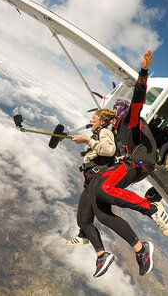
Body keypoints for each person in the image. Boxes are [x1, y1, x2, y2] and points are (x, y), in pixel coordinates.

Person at [68, 50, 168, 277]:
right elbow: (109, 151)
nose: (115, 114)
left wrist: (143, 72)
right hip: (125, 165)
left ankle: (151, 208)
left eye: (117, 111)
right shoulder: (116, 131)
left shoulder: (130, 121)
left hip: (135, 163)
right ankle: (138, 250)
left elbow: (137, 102)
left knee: (104, 189)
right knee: (96, 216)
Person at [70, 108, 117, 278]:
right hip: (92, 181)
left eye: (94, 118)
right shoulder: (100, 133)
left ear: (102, 122)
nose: (91, 120)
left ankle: (101, 254)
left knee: (86, 219)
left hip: (96, 181)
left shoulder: (104, 131)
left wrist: (88, 140)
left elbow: (109, 150)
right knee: (83, 219)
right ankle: (85, 235)